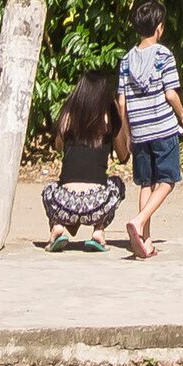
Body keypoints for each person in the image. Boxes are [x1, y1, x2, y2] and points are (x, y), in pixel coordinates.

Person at [117, 0, 183, 261]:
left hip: (139, 131)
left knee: (146, 183)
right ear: (159, 27)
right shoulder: (164, 55)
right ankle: (139, 221)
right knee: (167, 180)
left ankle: (145, 241)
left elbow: (122, 102)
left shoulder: (126, 60)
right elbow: (171, 95)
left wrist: (127, 134)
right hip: (162, 128)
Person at [41, 65, 128, 246]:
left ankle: (57, 227)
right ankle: (98, 230)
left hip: (64, 204)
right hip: (97, 204)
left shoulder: (67, 117)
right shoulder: (109, 120)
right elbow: (124, 156)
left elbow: (59, 147)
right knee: (118, 184)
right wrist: (121, 113)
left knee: (49, 188)